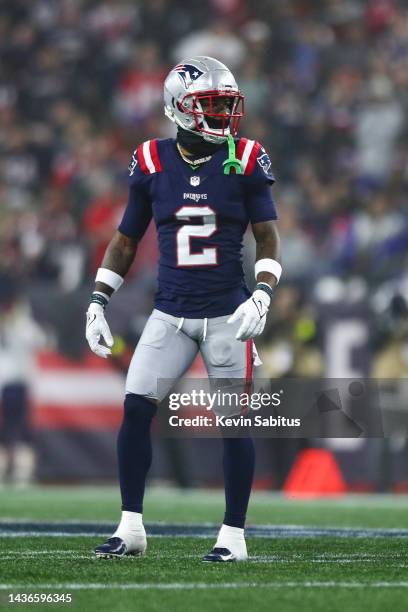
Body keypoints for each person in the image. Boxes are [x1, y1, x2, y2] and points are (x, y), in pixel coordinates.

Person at [86, 57, 281, 562]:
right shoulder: (151, 158)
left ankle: (233, 536)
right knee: (134, 406)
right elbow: (126, 240)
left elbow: (267, 238)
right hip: (169, 312)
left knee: (234, 422)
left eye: (227, 105)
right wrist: (97, 301)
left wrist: (262, 293)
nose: (225, 116)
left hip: (226, 311)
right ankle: (131, 527)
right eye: (213, 106)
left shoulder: (247, 157)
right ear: (180, 108)